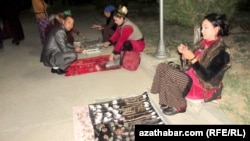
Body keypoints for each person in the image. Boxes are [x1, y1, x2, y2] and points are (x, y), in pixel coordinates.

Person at [150, 13, 231, 116]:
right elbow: (188, 65)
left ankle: (180, 104)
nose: (202, 31)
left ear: (216, 29)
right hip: (189, 78)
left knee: (170, 73)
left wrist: (192, 58)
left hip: (201, 86)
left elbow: (207, 77)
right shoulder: (203, 44)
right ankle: (166, 98)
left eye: (206, 28)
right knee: (162, 66)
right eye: (202, 28)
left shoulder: (222, 53)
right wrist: (184, 56)